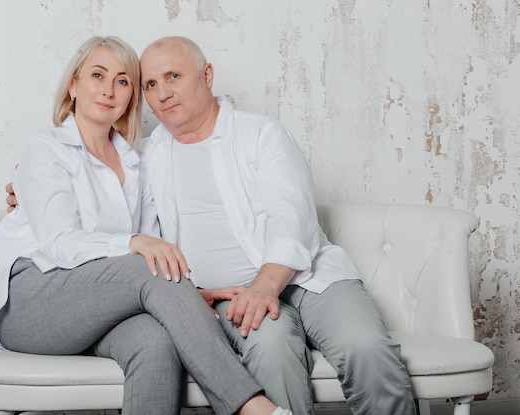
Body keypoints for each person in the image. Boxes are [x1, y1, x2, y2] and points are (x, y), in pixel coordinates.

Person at [0, 35, 291, 415]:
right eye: (97, 75)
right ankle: (252, 406)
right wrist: (135, 244)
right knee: (145, 264)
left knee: (155, 343)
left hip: (97, 310)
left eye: (123, 80)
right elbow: (62, 243)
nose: (109, 89)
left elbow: (155, 249)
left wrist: (185, 294)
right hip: (28, 303)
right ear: (73, 86)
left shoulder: (136, 161)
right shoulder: (45, 149)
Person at [136, 36, 417, 415]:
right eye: (150, 85)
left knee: (365, 348)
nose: (163, 93)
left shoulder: (261, 134)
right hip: (231, 296)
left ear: (207, 75)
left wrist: (266, 287)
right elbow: (107, 206)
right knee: (271, 355)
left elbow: (292, 219)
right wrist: (27, 193)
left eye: (173, 76)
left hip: (310, 278)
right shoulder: (146, 157)